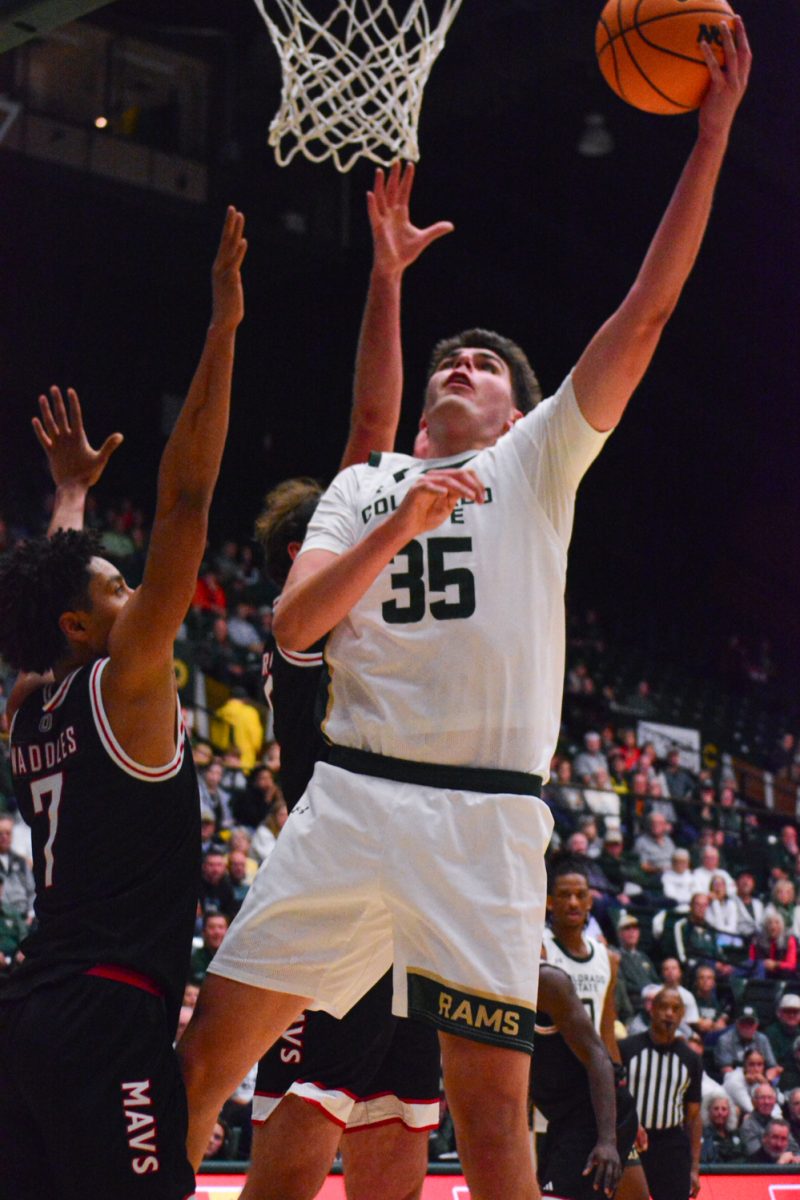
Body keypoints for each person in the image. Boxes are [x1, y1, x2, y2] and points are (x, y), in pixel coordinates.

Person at [178, 28, 752, 1198]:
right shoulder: (362, 484)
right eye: (452, 358)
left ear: (518, 408)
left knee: (491, 1123)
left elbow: (642, 313)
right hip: (348, 799)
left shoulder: (538, 465)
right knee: (206, 1067)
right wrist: (395, 519)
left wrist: (709, 139)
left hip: (483, 823)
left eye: (487, 364)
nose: (464, 365)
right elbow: (293, 629)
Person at [0, 207, 247, 1199]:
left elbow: (44, 598)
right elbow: (185, 502)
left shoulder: (28, 704)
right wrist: (222, 329)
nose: (131, 592)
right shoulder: (123, 677)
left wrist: (68, 498)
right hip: (107, 1017)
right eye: (115, 587)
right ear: (86, 625)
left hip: (28, 1012)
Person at [239, 163, 449, 1200]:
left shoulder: (382, 616)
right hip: (338, 885)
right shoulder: (307, 625)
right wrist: (385, 282)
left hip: (409, 894)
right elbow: (369, 441)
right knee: (310, 1113)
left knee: (401, 1122)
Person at [532, 963, 637, 1199]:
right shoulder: (490, 990)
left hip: (594, 1113)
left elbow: (599, 1057)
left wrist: (608, 1141)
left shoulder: (547, 982)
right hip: (562, 1119)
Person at [619, 988, 703, 1200]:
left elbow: (693, 1116)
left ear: (682, 1015)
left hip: (671, 1145)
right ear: (652, 1010)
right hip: (631, 1142)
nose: (669, 1014)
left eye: (675, 1009)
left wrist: (694, 1168)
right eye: (664, 1007)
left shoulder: (691, 1059)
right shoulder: (627, 1048)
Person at [715, 1007, 780, 1081]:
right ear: (737, 1024)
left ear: (756, 1025)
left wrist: (766, 1080)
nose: (747, 1027)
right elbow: (726, 1070)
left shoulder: (762, 1039)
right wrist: (747, 1080)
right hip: (735, 1082)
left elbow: (773, 1067)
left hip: (760, 1081)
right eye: (743, 1023)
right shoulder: (725, 1040)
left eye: (751, 1023)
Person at [740, 1085, 797, 1157]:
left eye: (770, 1098)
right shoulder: (748, 1126)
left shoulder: (779, 1123)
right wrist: (783, 1158)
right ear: (754, 1102)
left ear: (775, 1102)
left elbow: (795, 1149)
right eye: (762, 1098)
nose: (766, 1102)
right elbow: (755, 1154)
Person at [700, 1093, 746, 1164]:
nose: (720, 1113)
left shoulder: (736, 1134)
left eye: (724, 1109)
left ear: (729, 1112)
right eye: (716, 1109)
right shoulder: (703, 1135)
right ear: (709, 1111)